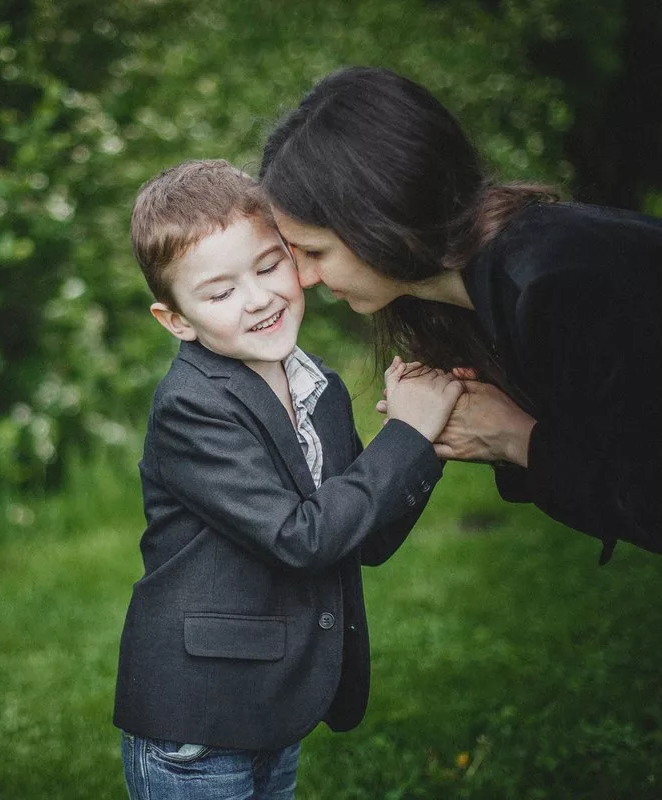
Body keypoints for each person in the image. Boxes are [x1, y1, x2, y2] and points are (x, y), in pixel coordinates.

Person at [258, 65, 662, 798]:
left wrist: (518, 439)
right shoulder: (506, 279)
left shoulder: (557, 283)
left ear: (374, 216)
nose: (304, 280)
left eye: (312, 252)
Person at [113, 159, 460, 799]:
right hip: (199, 720)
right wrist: (406, 437)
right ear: (177, 320)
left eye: (269, 266)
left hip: (271, 705)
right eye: (219, 293)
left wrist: (426, 444)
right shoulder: (194, 406)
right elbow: (301, 537)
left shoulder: (318, 385)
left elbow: (366, 534)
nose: (258, 298)